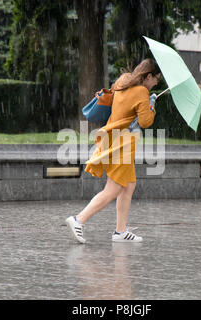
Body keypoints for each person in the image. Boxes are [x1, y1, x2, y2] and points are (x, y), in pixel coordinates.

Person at [66, 58, 161, 244]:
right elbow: (145, 122)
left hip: (112, 137)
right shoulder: (142, 91)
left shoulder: (122, 81)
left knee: (129, 185)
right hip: (122, 144)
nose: (156, 82)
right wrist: (152, 106)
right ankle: (79, 220)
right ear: (148, 76)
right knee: (113, 189)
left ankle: (120, 231)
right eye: (156, 78)